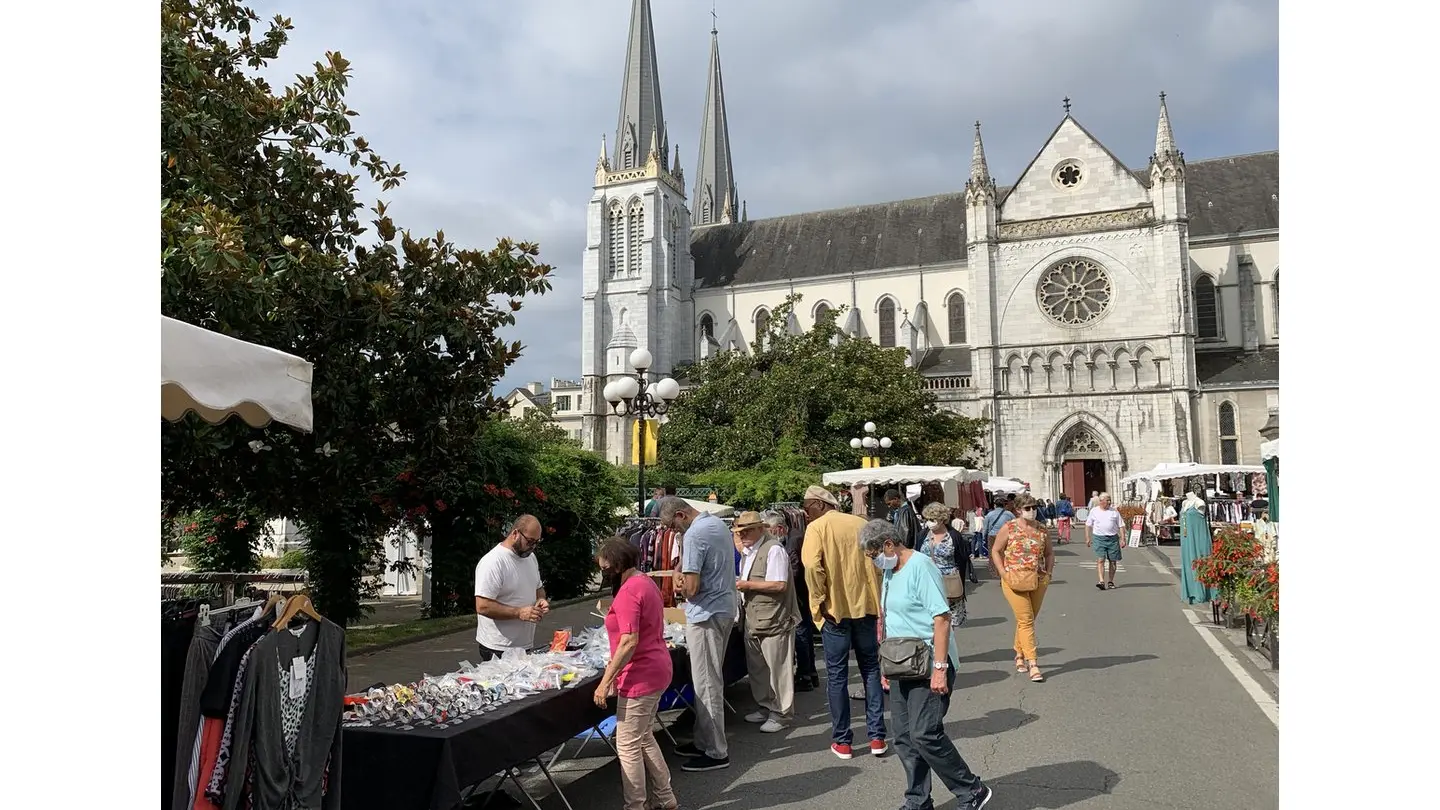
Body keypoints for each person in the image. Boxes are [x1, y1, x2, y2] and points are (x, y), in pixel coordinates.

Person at [860, 520, 994, 810]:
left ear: (888, 544)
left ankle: (972, 790)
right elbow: (890, 618)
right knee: (904, 737)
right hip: (901, 664)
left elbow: (942, 619)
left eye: (873, 554)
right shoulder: (890, 570)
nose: (873, 561)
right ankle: (918, 800)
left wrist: (940, 668)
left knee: (925, 734)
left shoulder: (921, 567)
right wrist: (886, 666)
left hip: (929, 662)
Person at [799, 484, 887, 760]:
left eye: (807, 507)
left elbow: (811, 566)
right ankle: (877, 737)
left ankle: (843, 741)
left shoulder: (817, 528)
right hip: (866, 607)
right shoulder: (860, 524)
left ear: (820, 504)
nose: (805, 512)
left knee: (837, 676)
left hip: (834, 611)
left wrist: (819, 600)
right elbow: (878, 563)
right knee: (870, 669)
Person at [592, 539, 678, 810]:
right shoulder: (645, 582)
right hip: (656, 667)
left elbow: (629, 640)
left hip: (641, 674)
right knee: (643, 736)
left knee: (627, 744)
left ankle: (636, 805)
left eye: (605, 567)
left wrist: (605, 681)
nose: (604, 573)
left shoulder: (630, 590)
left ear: (616, 565)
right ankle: (665, 797)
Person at [658, 496, 737, 772]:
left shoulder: (694, 534)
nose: (673, 532)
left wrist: (680, 586)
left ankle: (715, 751)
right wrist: (681, 572)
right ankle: (704, 740)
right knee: (709, 678)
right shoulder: (716, 524)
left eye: (672, 526)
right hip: (723, 608)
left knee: (706, 683)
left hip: (706, 614)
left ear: (681, 515)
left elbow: (691, 588)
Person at [735, 512, 799, 733]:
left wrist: (747, 585)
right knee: (758, 668)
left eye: (747, 531)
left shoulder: (773, 550)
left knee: (778, 669)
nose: (742, 535)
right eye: (740, 532)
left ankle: (782, 713)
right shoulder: (749, 551)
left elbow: (779, 585)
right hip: (755, 618)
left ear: (760, 529)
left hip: (774, 619)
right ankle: (765, 706)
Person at [990, 494, 1055, 682]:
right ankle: (1033, 663)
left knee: (1028, 619)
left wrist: (1048, 573)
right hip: (1014, 579)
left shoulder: (1042, 529)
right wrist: (1003, 573)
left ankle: (1019, 653)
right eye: (1027, 508)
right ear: (1018, 510)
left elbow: (1049, 553)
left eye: (1034, 507)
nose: (1032, 511)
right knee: (1026, 620)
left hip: (1037, 579)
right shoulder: (1009, 527)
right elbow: (996, 550)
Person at [474, 514, 550, 661]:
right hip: (497, 647)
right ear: (515, 533)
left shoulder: (530, 558)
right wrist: (519, 612)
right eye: (530, 541)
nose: (533, 547)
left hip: (524, 645)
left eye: (537, 542)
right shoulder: (493, 562)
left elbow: (538, 588)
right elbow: (482, 606)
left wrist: (541, 599)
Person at [919, 502, 968, 628]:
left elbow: (962, 560)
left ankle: (948, 640)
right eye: (927, 519)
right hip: (927, 582)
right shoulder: (923, 534)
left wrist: (961, 585)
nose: (929, 522)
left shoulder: (954, 536)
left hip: (949, 582)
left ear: (942, 519)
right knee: (929, 622)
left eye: (932, 519)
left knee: (950, 623)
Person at [1085, 492, 1124, 590]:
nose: (1109, 502)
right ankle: (1101, 581)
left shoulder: (1114, 511)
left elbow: (1121, 525)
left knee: (1113, 561)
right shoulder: (1094, 511)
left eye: (1110, 500)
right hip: (1099, 538)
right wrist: (1087, 537)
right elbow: (1088, 525)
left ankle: (1110, 581)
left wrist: (1123, 538)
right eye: (1107, 500)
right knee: (1101, 559)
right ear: (1101, 501)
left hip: (1112, 538)